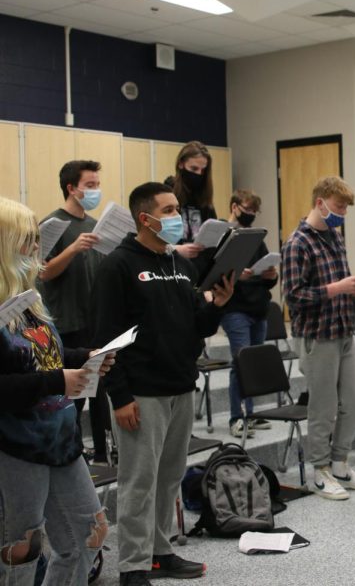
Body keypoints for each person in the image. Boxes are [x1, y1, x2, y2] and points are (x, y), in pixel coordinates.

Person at [91, 182, 234, 586]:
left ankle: (160, 551)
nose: (176, 218)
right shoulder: (117, 266)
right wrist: (119, 396)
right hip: (140, 391)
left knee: (169, 477)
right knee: (138, 482)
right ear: (145, 218)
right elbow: (106, 337)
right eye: (168, 210)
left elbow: (196, 327)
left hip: (179, 385)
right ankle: (132, 566)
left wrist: (217, 307)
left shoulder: (179, 264)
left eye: (176, 209)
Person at [0, 196, 114, 586]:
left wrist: (86, 356)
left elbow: (49, 354)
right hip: (17, 447)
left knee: (90, 535)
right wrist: (57, 380)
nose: (36, 249)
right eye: (27, 239)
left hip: (61, 440)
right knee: (22, 550)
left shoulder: (30, 301)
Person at [281, 176, 355, 500]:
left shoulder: (335, 237)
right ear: (320, 202)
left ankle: (339, 463)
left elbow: (340, 282)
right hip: (316, 335)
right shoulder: (297, 243)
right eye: (338, 206)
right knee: (322, 407)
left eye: (346, 208)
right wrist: (338, 288)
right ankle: (319, 469)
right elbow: (293, 297)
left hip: (343, 328)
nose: (342, 213)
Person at [37, 159, 112, 463]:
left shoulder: (95, 226)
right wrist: (72, 249)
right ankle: (68, 452)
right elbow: (43, 273)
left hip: (95, 318)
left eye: (97, 184)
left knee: (99, 389)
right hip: (67, 321)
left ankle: (102, 453)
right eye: (89, 185)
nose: (96, 190)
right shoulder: (51, 225)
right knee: (74, 394)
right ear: (72, 188)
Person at [220, 189, 278, 439]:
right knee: (240, 361)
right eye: (247, 209)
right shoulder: (224, 235)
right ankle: (237, 416)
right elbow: (216, 273)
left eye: (255, 211)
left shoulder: (256, 237)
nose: (251, 215)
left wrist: (271, 275)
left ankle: (250, 415)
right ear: (234, 207)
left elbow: (267, 273)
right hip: (235, 308)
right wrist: (235, 274)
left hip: (258, 307)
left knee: (253, 362)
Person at [166, 141, 216, 274]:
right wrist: (177, 249)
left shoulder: (205, 202)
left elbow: (212, 248)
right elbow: (152, 242)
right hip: (173, 271)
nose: (199, 174)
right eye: (194, 169)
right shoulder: (166, 195)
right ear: (181, 164)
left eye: (203, 170)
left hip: (199, 274)